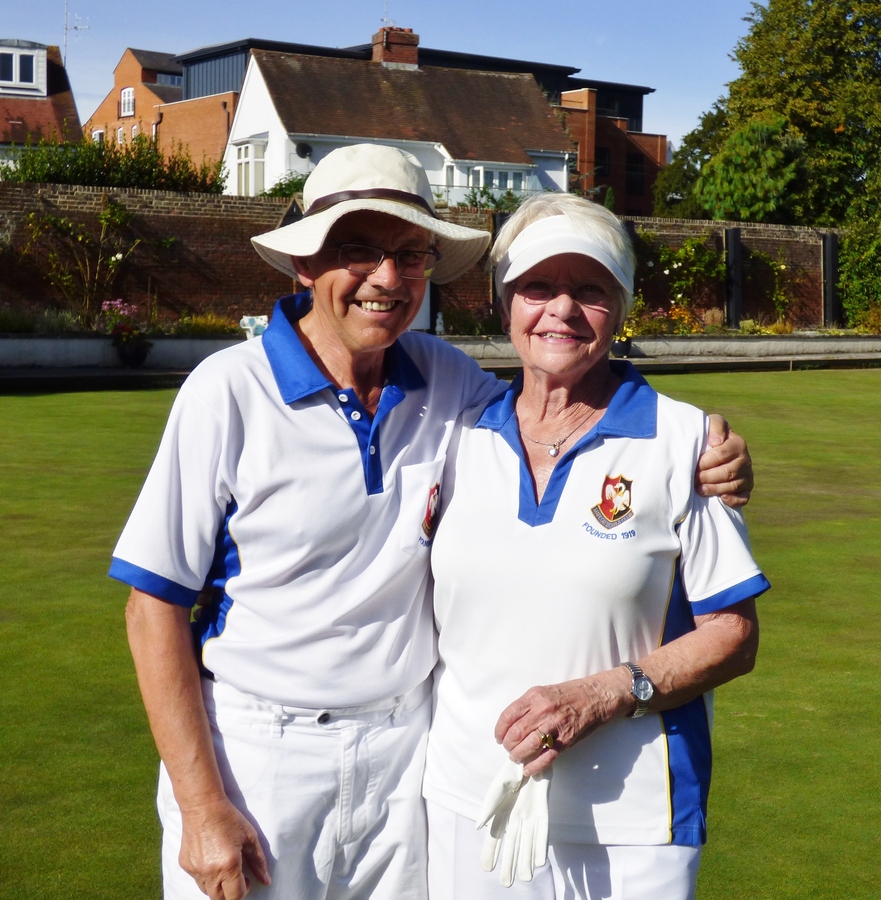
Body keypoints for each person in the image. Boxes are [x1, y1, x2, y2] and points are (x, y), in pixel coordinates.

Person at [110, 144, 753, 900]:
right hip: (259, 757)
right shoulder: (227, 391)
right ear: (303, 266)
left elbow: (574, 397)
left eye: (409, 255)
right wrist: (198, 804)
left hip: (404, 765)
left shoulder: (449, 385)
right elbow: (152, 606)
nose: (386, 279)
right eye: (357, 250)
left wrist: (713, 454)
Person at [423, 193, 770, 900]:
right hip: (466, 804)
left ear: (620, 307)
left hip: (631, 823)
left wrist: (606, 692)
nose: (560, 310)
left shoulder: (683, 444)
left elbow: (733, 637)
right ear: (502, 303)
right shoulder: (452, 434)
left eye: (590, 290)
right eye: (536, 287)